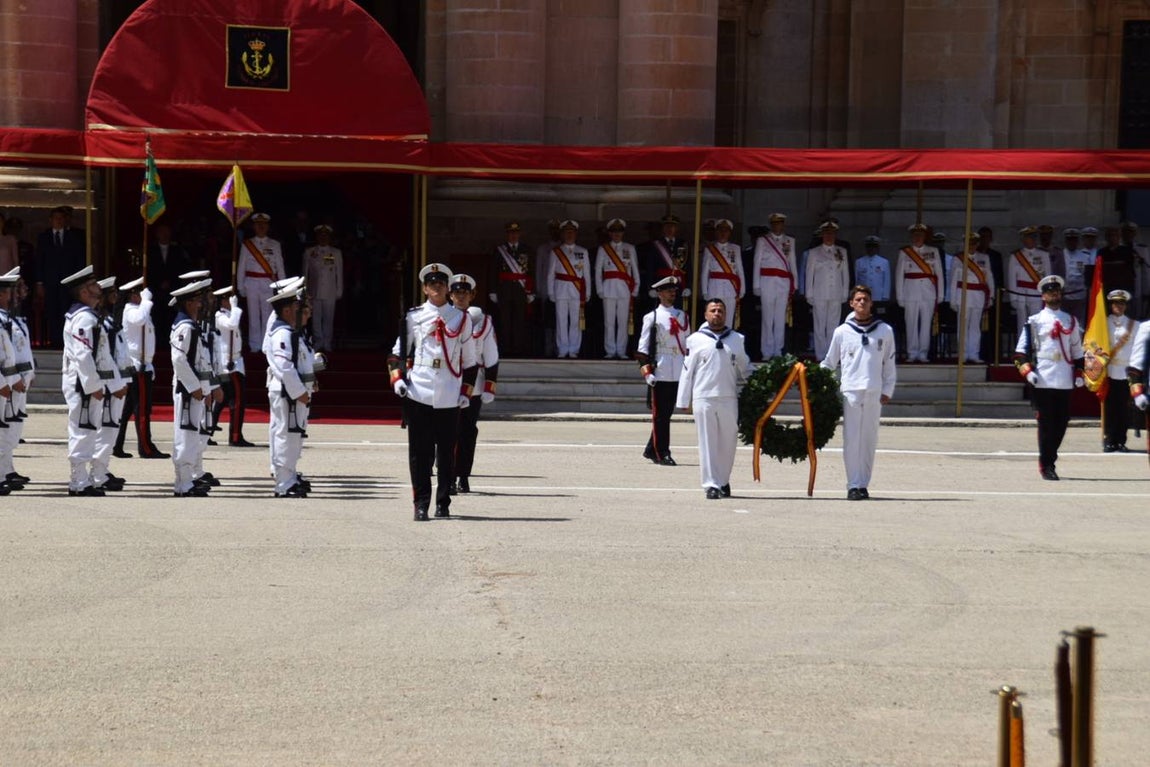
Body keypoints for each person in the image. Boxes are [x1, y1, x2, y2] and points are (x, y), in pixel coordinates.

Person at [388, 263, 478, 521]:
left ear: (446, 288)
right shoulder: (413, 316)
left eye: (440, 283)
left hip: (449, 390)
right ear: (425, 289)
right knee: (420, 452)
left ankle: (443, 503)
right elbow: (397, 352)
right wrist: (397, 380)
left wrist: (466, 391)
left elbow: (471, 361)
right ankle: (420, 503)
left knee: (447, 451)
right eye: (431, 283)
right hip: (420, 389)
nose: (436, 287)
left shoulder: (461, 318)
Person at [821, 285, 897, 500]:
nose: (862, 303)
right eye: (858, 299)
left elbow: (889, 362)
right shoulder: (842, 332)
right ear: (851, 303)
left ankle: (864, 483)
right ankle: (853, 484)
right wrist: (817, 381)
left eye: (866, 299)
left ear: (871, 303)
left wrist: (888, 388)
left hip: (874, 390)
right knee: (852, 439)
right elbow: (829, 362)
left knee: (869, 439)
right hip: (851, 391)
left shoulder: (884, 330)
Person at [675, 298, 750, 499]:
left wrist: (762, 384)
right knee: (707, 442)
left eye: (721, 311)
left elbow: (746, 367)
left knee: (728, 441)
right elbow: (687, 371)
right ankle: (711, 484)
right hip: (703, 397)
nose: (717, 314)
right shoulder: (695, 339)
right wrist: (683, 400)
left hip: (728, 397)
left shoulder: (736, 339)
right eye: (713, 310)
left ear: (726, 315)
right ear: (706, 315)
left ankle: (723, 481)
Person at [1013, 275, 1084, 480]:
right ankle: (1047, 464)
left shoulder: (1070, 320)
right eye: (1050, 292)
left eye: (1057, 291)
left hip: (1063, 378)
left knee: (1062, 422)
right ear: (1043, 296)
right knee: (1046, 424)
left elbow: (1077, 351)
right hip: (1043, 378)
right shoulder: (1034, 321)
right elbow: (1020, 353)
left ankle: (1050, 456)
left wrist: (1079, 373)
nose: (1055, 294)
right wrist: (1028, 372)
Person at [448, 274, 499, 494]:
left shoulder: (482, 320)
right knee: (446, 430)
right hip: (447, 379)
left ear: (472, 295)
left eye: (465, 293)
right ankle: (446, 473)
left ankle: (463, 475)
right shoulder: (441, 317)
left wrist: (489, 385)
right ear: (450, 295)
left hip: (474, 382)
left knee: (468, 431)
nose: (461, 297)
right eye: (457, 293)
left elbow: (491, 354)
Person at [60, 265, 106, 496]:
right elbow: (83, 354)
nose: (99, 287)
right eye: (93, 285)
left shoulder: (86, 316)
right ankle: (78, 482)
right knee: (82, 430)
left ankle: (82, 480)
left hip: (84, 382)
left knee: (87, 430)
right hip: (82, 383)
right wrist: (93, 385)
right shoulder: (84, 318)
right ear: (84, 292)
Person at [169, 277, 215, 497]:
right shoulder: (185, 327)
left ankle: (187, 480)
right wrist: (195, 387)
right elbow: (178, 359)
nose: (201, 304)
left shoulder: (190, 326)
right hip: (188, 392)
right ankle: (183, 483)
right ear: (188, 303)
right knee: (185, 437)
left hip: (194, 390)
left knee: (191, 435)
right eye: (197, 300)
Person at [265, 280, 311, 498]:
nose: (300, 311)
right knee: (285, 435)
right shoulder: (283, 333)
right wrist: (299, 392)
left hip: (292, 392)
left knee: (293, 436)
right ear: (285, 310)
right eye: (295, 307)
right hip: (287, 392)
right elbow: (284, 365)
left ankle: (289, 477)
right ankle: (284, 483)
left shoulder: (290, 331)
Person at [637, 276, 689, 466]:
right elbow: (643, 348)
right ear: (659, 294)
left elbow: (688, 343)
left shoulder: (682, 316)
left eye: (674, 291)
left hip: (679, 367)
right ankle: (662, 452)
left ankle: (651, 449)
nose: (672, 294)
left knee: (667, 413)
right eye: (668, 291)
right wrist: (647, 372)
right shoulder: (653, 317)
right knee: (660, 414)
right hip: (662, 366)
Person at [114, 277, 168, 459]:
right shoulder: (131, 311)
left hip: (143, 365)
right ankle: (145, 447)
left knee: (128, 409)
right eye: (138, 293)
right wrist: (146, 301)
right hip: (137, 366)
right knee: (142, 409)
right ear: (132, 296)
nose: (142, 296)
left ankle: (117, 443)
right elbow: (139, 319)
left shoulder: (140, 310)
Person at [90, 277, 129, 492]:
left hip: (118, 383)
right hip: (109, 385)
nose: (115, 295)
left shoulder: (110, 321)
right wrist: (115, 385)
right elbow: (106, 358)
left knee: (111, 429)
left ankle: (102, 470)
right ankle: (97, 474)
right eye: (111, 292)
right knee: (105, 429)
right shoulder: (101, 323)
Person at [34, 206, 87, 348]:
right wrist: (39, 283)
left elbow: (79, 261)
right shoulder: (44, 237)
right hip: (50, 282)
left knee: (66, 310)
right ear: (50, 220)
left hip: (68, 283)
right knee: (52, 311)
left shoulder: (73, 238)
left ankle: (66, 341)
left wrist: (78, 283)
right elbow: (40, 261)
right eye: (56, 218)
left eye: (61, 218)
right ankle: (54, 340)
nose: (59, 221)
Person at [0, 268, 33, 489]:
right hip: (8, 382)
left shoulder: (13, 319)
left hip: (17, 381)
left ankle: (6, 470)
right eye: (14, 290)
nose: (19, 294)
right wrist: (6, 382)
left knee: (11, 430)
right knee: (3, 430)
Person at [211, 284, 255, 447]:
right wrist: (236, 307)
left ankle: (207, 431)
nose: (231, 301)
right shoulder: (220, 316)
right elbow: (232, 325)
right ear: (223, 301)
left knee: (223, 400)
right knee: (237, 401)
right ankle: (235, 437)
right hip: (229, 365)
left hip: (236, 362)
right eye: (228, 298)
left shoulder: (229, 314)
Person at [236, 212, 285, 352]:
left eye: (264, 224)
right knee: (253, 316)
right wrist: (240, 286)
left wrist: (282, 286)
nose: (261, 226)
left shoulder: (275, 244)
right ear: (254, 227)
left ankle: (266, 345)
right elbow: (241, 266)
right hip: (251, 282)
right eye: (258, 224)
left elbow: (279, 267)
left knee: (268, 315)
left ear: (268, 226)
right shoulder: (247, 245)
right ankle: (254, 346)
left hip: (268, 282)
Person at [894, 223, 943, 363]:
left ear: (925, 236)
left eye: (920, 235)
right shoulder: (905, 252)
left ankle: (923, 353)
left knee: (926, 324)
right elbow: (899, 275)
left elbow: (939, 274)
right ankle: (912, 352)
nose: (917, 237)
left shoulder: (933, 251)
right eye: (915, 235)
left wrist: (940, 295)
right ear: (911, 236)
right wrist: (900, 296)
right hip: (910, 291)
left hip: (928, 292)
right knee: (911, 323)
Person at [752, 212, 797, 359]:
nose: (777, 226)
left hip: (783, 282)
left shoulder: (790, 241)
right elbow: (757, 262)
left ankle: (778, 350)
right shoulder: (763, 240)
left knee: (779, 317)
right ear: (771, 225)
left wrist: (794, 283)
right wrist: (756, 285)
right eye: (775, 223)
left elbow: (792, 263)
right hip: (767, 281)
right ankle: (766, 351)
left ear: (783, 225)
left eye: (780, 223)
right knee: (767, 317)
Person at [594, 218, 640, 359]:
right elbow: (598, 270)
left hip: (624, 288)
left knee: (622, 321)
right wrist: (599, 289)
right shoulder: (603, 248)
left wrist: (636, 286)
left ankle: (621, 350)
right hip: (608, 287)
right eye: (614, 231)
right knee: (609, 322)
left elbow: (634, 268)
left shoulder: (629, 248)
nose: (617, 234)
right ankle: (609, 350)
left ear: (623, 233)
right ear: (609, 233)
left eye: (619, 231)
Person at [803, 221, 850, 360]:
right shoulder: (814, 252)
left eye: (832, 233)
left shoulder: (841, 251)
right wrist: (809, 293)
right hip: (819, 293)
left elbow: (845, 273)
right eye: (826, 233)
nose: (829, 236)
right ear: (822, 235)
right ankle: (820, 355)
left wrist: (845, 292)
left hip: (836, 292)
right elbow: (809, 274)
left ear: (835, 235)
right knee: (819, 325)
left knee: (834, 325)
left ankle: (832, 355)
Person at [489, 221, 535, 358]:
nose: (513, 236)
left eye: (515, 233)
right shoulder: (499, 250)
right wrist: (492, 291)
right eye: (511, 233)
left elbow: (531, 272)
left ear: (519, 234)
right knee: (504, 320)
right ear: (507, 234)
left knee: (519, 320)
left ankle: (518, 349)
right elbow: (493, 271)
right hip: (504, 290)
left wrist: (532, 291)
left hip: (521, 290)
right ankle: (505, 349)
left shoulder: (527, 250)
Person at [948, 232, 995, 364]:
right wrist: (952, 299)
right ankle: (962, 354)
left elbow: (989, 278)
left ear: (978, 244)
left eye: (974, 243)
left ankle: (974, 353)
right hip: (963, 295)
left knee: (975, 327)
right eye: (969, 243)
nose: (972, 246)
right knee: (962, 326)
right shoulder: (958, 259)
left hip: (979, 296)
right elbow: (953, 279)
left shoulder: (984, 258)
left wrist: (990, 296)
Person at [546, 220, 591, 359]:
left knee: (576, 321)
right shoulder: (556, 252)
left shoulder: (582, 251)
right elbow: (550, 274)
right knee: (561, 320)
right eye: (567, 232)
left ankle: (574, 349)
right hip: (561, 289)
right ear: (562, 234)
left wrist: (588, 291)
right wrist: (550, 291)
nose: (569, 235)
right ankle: (562, 348)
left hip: (577, 290)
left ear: (576, 234)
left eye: (572, 232)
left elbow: (587, 274)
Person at [1102, 290, 1137, 452]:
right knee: (1110, 408)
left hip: (1125, 372)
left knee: (1124, 409)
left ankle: (1121, 441)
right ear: (1111, 305)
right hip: (1108, 371)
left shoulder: (1133, 325)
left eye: (1122, 303)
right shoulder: (1102, 323)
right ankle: (1109, 439)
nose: (1119, 306)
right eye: (1116, 303)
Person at [302, 224, 343, 353]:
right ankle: (318, 342)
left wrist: (339, 290)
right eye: (321, 234)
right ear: (317, 236)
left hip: (330, 290)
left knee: (328, 318)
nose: (323, 237)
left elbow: (339, 273)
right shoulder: (309, 252)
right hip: (314, 291)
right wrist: (304, 290)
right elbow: (305, 273)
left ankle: (327, 342)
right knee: (315, 318)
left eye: (326, 235)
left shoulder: (336, 252)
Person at [1007, 226, 1052, 336]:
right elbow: (1012, 277)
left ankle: (1036, 349)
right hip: (1020, 293)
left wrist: (1047, 294)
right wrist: (1013, 297)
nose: (1031, 239)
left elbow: (1048, 276)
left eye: (1033, 237)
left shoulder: (1044, 254)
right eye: (1028, 237)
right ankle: (1022, 350)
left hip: (1037, 292)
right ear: (1022, 239)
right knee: (1022, 323)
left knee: (1037, 322)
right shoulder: (1016, 256)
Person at [700, 219, 745, 329]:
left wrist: (742, 289)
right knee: (714, 318)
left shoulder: (736, 248)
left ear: (730, 233)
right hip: (714, 288)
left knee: (729, 320)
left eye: (726, 230)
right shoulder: (709, 249)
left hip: (731, 289)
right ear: (716, 232)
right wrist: (705, 291)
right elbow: (705, 272)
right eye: (720, 230)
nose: (723, 233)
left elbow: (740, 270)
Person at [643, 214, 691, 311]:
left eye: (672, 226)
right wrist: (650, 287)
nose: (670, 229)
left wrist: (689, 286)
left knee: (678, 312)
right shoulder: (655, 245)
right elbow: (650, 268)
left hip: (678, 285)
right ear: (663, 228)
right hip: (661, 284)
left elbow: (688, 268)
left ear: (676, 228)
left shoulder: (683, 244)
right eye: (667, 226)